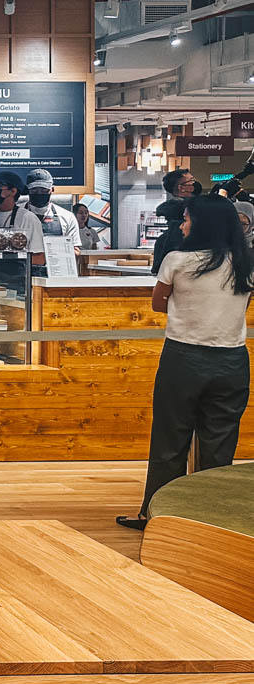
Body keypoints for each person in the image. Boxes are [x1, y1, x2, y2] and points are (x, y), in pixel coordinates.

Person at [118, 194, 254, 530]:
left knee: (170, 439)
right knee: (220, 444)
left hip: (183, 357)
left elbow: (158, 304)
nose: (183, 224)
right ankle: (208, 522)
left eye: (188, 218)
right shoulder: (246, 262)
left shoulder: (177, 260)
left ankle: (157, 516)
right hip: (233, 360)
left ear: (201, 223)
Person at [0, 170, 45, 265]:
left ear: (13, 191)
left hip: (19, 277)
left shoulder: (28, 218)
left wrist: (12, 260)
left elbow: (40, 259)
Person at [152, 169, 200, 274]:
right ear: (181, 188)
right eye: (191, 180)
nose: (195, 183)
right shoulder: (179, 210)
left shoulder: (163, 239)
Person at [24, 169, 81, 252]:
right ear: (27, 190)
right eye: (34, 190)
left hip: (56, 264)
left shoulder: (67, 217)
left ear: (52, 189)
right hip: (24, 264)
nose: (39, 193)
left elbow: (75, 249)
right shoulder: (15, 215)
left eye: (44, 190)